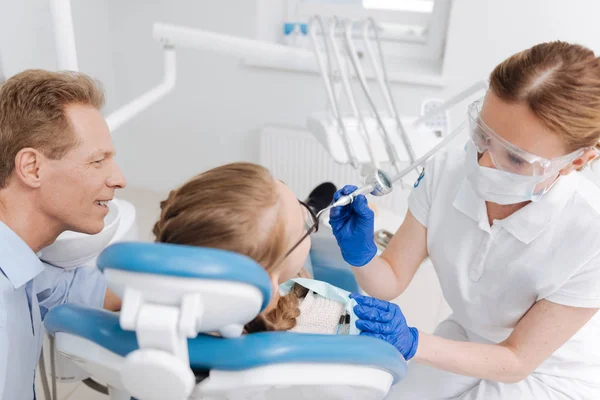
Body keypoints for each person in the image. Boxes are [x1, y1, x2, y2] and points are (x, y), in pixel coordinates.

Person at [330, 41, 600, 399]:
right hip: (466, 336)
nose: (483, 162)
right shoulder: (447, 172)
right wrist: (360, 253)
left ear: (576, 161)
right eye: (483, 135)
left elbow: (517, 360)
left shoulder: (589, 232)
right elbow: (390, 279)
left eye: (516, 159)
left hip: (547, 373)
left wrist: (412, 341)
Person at [0, 70, 126, 399]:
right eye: (98, 161)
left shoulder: (21, 266)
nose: (119, 179)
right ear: (32, 168)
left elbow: (68, 288)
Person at [152, 162, 353, 334]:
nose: (307, 226)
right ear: (270, 284)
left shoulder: (155, 300)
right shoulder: (334, 318)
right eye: (305, 225)